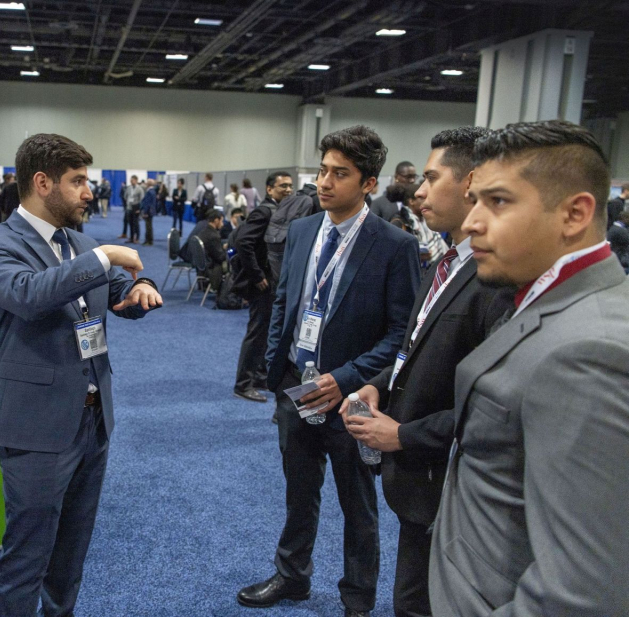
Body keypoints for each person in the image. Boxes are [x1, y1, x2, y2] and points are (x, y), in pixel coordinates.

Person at [428, 120, 629, 616]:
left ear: (574, 214)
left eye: (497, 202)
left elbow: (583, 594)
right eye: (474, 201)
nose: (473, 222)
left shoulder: (587, 352)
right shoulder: (547, 296)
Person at [0, 133, 163, 617]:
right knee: (25, 559)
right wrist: (103, 258)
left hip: (93, 421)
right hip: (36, 428)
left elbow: (121, 288)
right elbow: (29, 295)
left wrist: (141, 286)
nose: (88, 193)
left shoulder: (79, 241)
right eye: (78, 182)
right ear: (42, 183)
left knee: (70, 556)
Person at [237, 125, 420, 617]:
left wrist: (344, 378)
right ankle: (292, 576)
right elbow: (285, 304)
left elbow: (400, 336)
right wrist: (278, 369)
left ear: (368, 183)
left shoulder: (393, 246)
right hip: (297, 386)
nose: (325, 182)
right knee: (299, 492)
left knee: (357, 504)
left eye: (340, 174)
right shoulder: (301, 231)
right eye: (322, 171)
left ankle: (357, 598)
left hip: (352, 395)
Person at [341, 126, 512, 617]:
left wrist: (405, 436)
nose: (417, 190)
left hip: (449, 485)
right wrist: (379, 387)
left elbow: (490, 406)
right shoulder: (445, 262)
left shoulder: (493, 280)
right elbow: (413, 351)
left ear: (471, 183)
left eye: (432, 178)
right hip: (419, 489)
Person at [232, 170, 293, 403]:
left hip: (272, 282)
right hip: (262, 284)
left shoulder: (281, 211)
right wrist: (257, 275)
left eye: (290, 186)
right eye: (282, 186)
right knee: (256, 333)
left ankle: (258, 376)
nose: (288, 190)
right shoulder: (264, 211)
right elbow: (243, 242)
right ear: (269, 189)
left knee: (267, 332)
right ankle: (242, 384)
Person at [197, 210, 228, 292]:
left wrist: (221, 247)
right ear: (216, 220)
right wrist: (230, 250)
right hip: (212, 268)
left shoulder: (204, 231)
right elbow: (221, 258)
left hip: (202, 267)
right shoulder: (214, 236)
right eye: (221, 221)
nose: (223, 224)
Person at [124, 175, 144, 244]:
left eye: (132, 180)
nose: (131, 181)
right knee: (130, 224)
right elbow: (125, 196)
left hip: (136, 208)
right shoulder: (128, 188)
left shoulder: (140, 189)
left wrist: (139, 209)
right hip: (129, 207)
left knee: (136, 224)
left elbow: (142, 200)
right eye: (130, 180)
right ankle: (132, 238)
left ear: (136, 180)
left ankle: (137, 238)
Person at [140, 178, 158, 246]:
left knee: (148, 227)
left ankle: (149, 240)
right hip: (150, 211)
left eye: (147, 182)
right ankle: (149, 240)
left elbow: (149, 203)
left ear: (149, 184)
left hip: (148, 212)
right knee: (149, 226)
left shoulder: (150, 192)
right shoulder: (152, 191)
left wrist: (146, 212)